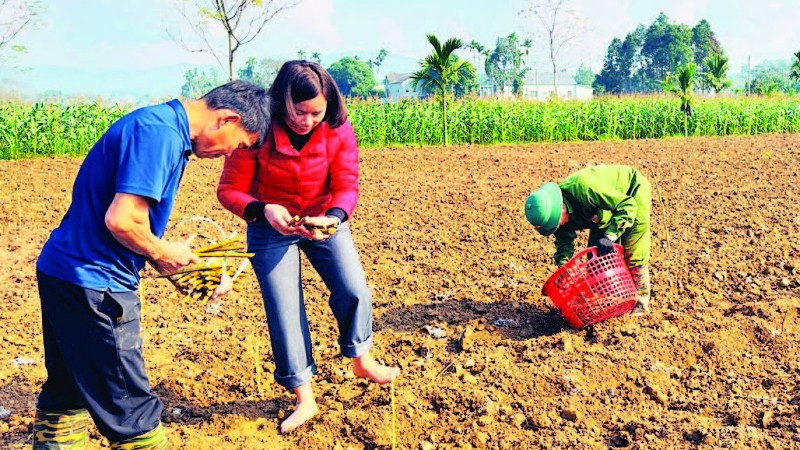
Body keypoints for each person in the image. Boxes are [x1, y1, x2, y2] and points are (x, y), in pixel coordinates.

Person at [33, 80, 270, 449]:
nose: (229, 155)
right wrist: (161, 252)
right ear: (227, 119)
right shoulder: (161, 135)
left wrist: (188, 271)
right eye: (238, 145)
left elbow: (131, 225)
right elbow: (122, 221)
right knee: (131, 409)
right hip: (97, 284)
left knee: (69, 390)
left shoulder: (158, 126)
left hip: (65, 273)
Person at [217, 60, 400, 434]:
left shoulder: (337, 128)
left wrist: (334, 217)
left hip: (323, 220)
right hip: (270, 226)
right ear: (282, 102)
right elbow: (229, 189)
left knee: (354, 289)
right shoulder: (258, 128)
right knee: (284, 308)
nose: (308, 121)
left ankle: (361, 358)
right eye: (299, 112)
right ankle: (304, 397)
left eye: (316, 112)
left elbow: (347, 182)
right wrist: (263, 210)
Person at [524, 164, 652, 315]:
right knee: (595, 257)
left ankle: (640, 305)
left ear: (562, 208)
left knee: (633, 251)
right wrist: (564, 270)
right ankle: (608, 300)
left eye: (558, 223)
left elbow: (627, 204)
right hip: (601, 214)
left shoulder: (585, 189)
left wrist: (610, 236)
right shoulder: (556, 215)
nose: (559, 227)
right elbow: (564, 244)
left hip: (630, 192)